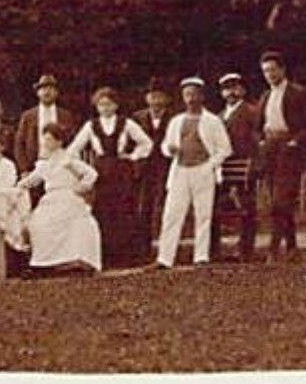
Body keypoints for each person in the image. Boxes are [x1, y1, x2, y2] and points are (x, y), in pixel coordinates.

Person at [66, 86, 154, 268]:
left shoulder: (126, 123)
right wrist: (84, 169)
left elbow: (147, 143)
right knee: (103, 211)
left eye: (108, 104)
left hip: (122, 171)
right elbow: (73, 150)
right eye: (101, 104)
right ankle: (106, 256)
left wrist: (133, 157)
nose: (105, 108)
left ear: (115, 105)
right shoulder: (91, 125)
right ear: (96, 106)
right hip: (101, 172)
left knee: (124, 210)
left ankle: (127, 256)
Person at [155, 78, 233, 268]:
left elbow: (225, 149)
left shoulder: (212, 121)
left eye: (194, 94)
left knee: (203, 214)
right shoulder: (176, 121)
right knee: (172, 214)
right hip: (180, 170)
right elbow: (165, 145)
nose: (190, 99)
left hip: (202, 170)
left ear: (202, 96)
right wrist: (169, 149)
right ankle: (165, 258)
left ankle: (201, 257)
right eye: (187, 95)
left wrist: (210, 165)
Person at [255, 50, 306, 261]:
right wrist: (262, 141)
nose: (270, 74)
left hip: (290, 150)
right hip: (271, 150)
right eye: (266, 71)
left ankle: (273, 249)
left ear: (283, 69)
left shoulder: (298, 93)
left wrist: (295, 141)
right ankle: (292, 248)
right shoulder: (265, 96)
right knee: (281, 202)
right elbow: (257, 127)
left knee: (279, 202)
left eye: (273, 69)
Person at [18, 123, 101, 273]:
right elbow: (32, 180)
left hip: (69, 196)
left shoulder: (68, 159)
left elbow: (91, 173)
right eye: (44, 139)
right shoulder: (44, 163)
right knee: (38, 223)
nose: (46, 143)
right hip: (50, 199)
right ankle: (43, 263)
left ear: (59, 142)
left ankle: (71, 260)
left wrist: (83, 186)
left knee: (67, 220)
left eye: (49, 139)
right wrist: (19, 186)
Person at [211, 73, 261, 262]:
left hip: (244, 167)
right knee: (215, 207)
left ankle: (245, 251)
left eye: (234, 88)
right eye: (226, 89)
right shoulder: (218, 117)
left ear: (242, 90)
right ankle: (214, 250)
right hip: (222, 168)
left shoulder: (252, 112)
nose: (230, 93)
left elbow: (257, 141)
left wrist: (255, 165)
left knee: (246, 208)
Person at [131, 77, 176, 255]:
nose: (156, 101)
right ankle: (144, 247)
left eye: (159, 97)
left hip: (166, 168)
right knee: (144, 207)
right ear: (147, 98)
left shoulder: (174, 117)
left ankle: (166, 247)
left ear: (166, 99)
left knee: (164, 206)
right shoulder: (138, 117)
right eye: (152, 96)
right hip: (144, 170)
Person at [15, 74, 79, 177]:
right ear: (37, 93)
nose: (47, 92)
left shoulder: (65, 116)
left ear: (56, 93)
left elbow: (73, 142)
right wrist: (24, 169)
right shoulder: (28, 116)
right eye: (43, 89)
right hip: (35, 166)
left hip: (60, 167)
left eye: (51, 88)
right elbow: (19, 144)